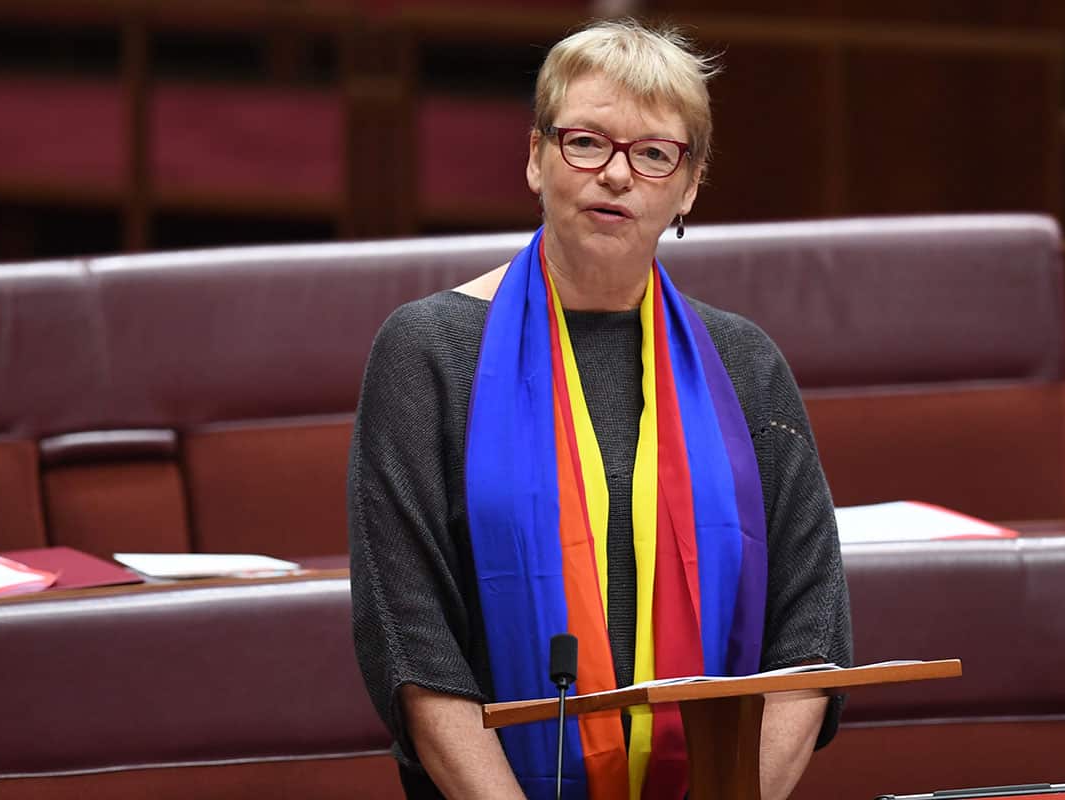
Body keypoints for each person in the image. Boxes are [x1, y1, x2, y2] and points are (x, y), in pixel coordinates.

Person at [348, 18, 852, 800]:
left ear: (689, 187)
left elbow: (810, 634)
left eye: (653, 154)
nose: (616, 175)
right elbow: (413, 646)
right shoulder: (429, 353)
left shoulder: (745, 364)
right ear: (535, 158)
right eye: (586, 141)